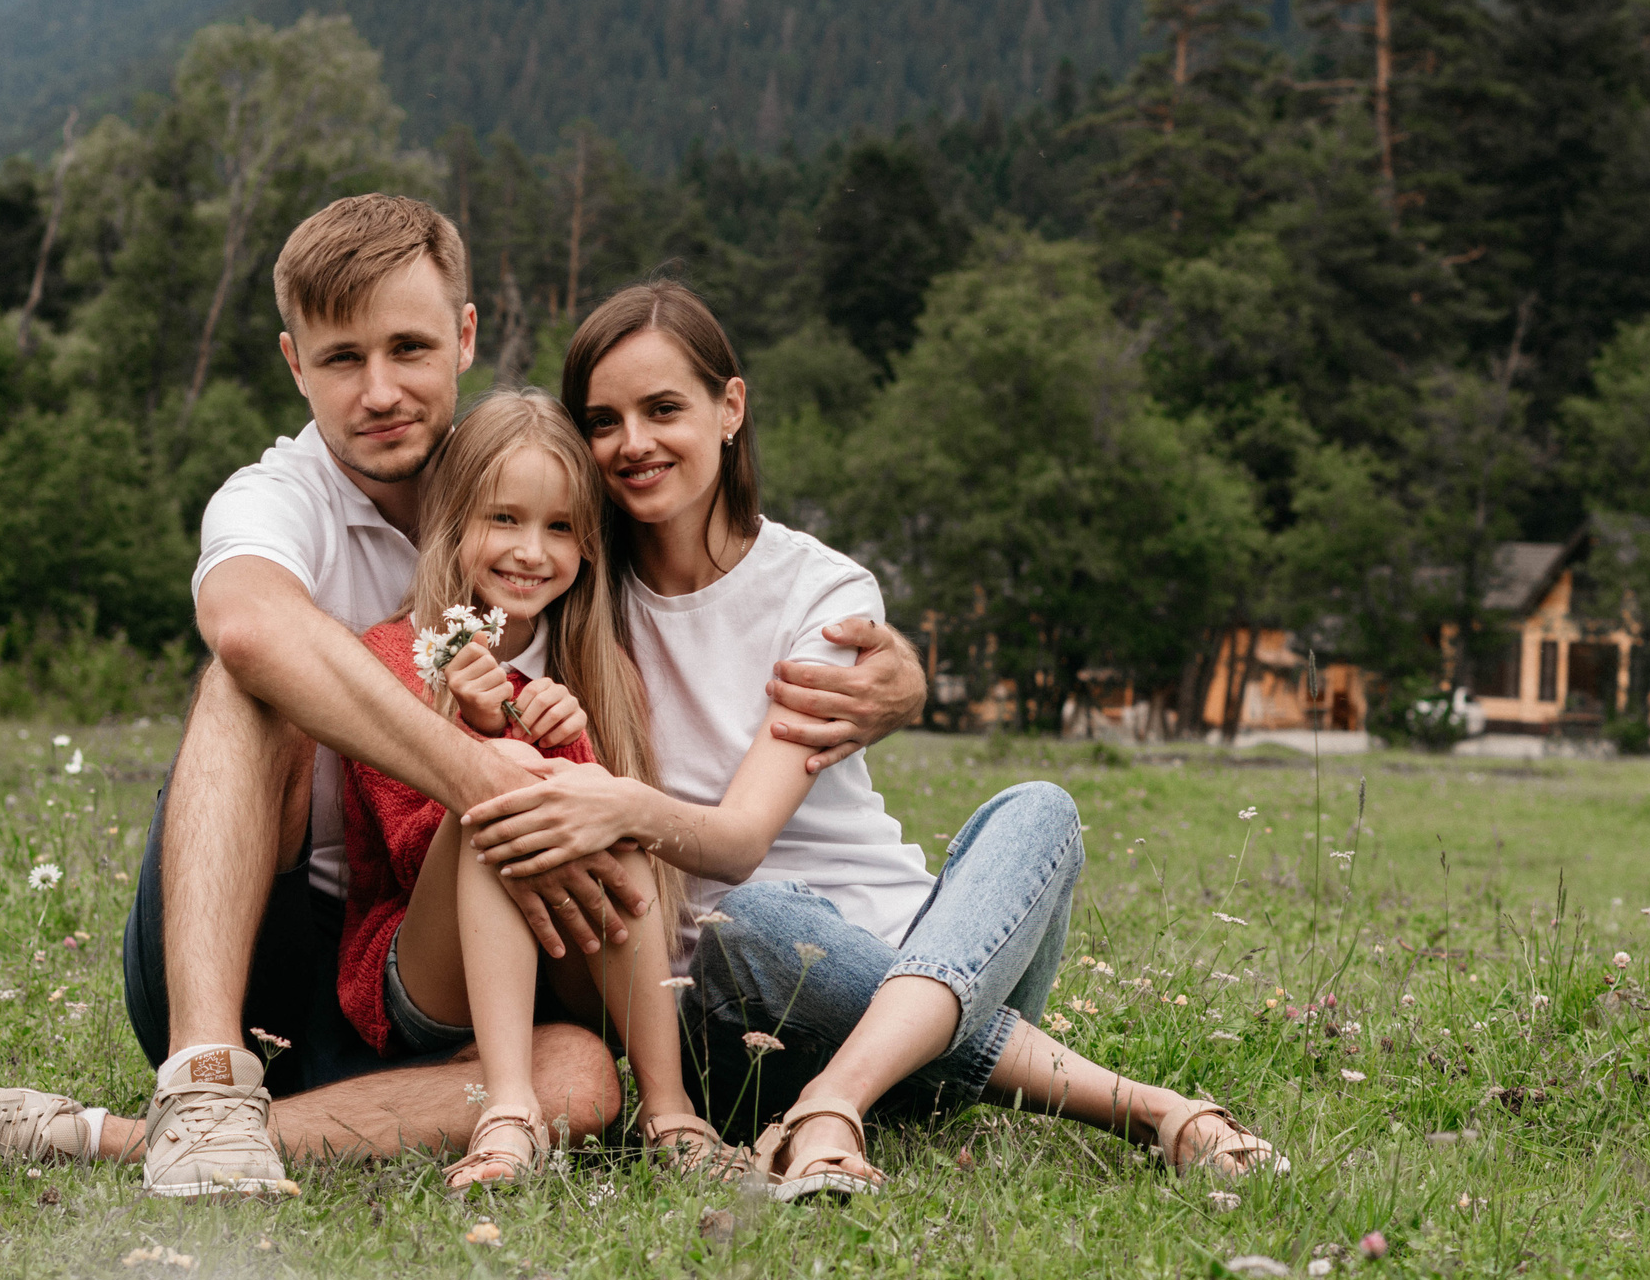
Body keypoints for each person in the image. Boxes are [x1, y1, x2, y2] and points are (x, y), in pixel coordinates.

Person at [0, 196, 924, 1195]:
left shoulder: (524, 483)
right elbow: (245, 621)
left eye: (409, 350)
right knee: (252, 671)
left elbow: (690, 547)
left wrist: (889, 670)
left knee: (577, 1084)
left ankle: (94, 1139)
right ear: (294, 365)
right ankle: (201, 1076)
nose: (380, 390)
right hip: (262, 947)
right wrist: (483, 775)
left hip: (464, 963)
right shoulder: (282, 498)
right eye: (341, 359)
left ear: (464, 338)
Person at [456, 281, 1281, 1198]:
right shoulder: (574, 588)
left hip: (933, 957)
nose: (633, 443)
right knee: (756, 920)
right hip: (738, 1014)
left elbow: (738, 834)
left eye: (663, 409)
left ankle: (836, 1099)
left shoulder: (821, 588)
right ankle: (1150, 1108)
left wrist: (623, 804)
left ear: (730, 408)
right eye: (604, 421)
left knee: (1040, 809)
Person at [337, 389, 709, 1189]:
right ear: (456, 521)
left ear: (589, 545)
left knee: (608, 812)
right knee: (499, 801)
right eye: (504, 518)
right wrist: (483, 739)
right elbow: (408, 850)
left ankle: (670, 1110)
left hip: (560, 974)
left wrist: (568, 745)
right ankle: (508, 1113)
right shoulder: (395, 656)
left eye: (560, 527)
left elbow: (613, 847)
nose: (531, 551)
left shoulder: (603, 675)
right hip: (426, 975)